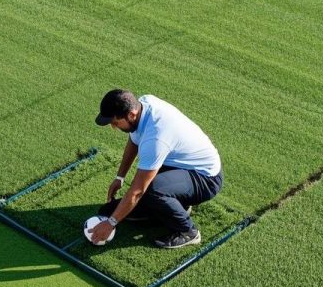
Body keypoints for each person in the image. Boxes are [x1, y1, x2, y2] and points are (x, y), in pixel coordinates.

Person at [90, 89, 223, 249]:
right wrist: (120, 177)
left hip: (205, 179)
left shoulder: (156, 138)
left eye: (115, 122)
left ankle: (188, 232)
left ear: (131, 115)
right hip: (180, 165)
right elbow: (134, 141)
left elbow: (138, 191)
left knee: (152, 189)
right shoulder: (143, 105)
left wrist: (110, 224)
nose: (113, 127)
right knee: (110, 209)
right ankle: (174, 205)